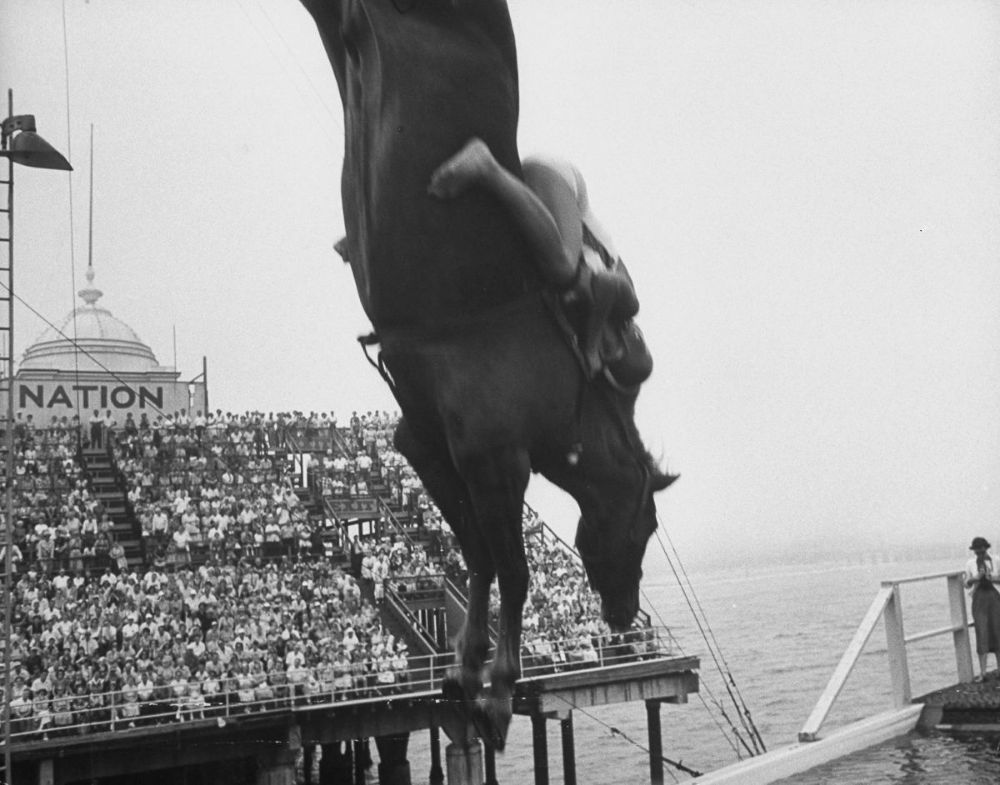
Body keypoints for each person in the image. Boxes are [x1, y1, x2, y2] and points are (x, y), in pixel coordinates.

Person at [428, 137, 649, 383]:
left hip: (539, 202)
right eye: (609, 350)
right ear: (626, 335)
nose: (602, 352)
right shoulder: (628, 304)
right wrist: (591, 345)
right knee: (565, 268)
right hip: (559, 179)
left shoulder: (582, 316)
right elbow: (607, 284)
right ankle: (485, 167)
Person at [965, 536, 1000, 679]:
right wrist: (976, 578)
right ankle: (983, 672)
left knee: (997, 630)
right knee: (982, 631)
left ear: (986, 548)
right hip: (979, 599)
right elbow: (966, 583)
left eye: (981, 551)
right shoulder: (970, 563)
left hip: (994, 597)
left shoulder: (996, 560)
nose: (979, 554)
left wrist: (992, 577)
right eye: (977, 552)